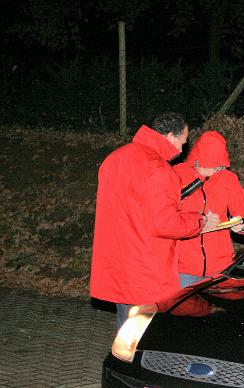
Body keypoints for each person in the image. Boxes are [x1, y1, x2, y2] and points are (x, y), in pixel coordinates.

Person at [90, 112, 220, 330]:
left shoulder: (115, 158)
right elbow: (165, 223)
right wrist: (199, 222)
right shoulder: (158, 168)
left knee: (126, 332)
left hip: (118, 263)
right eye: (182, 141)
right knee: (146, 337)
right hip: (145, 268)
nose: (182, 149)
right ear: (170, 135)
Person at [174, 130, 244, 288]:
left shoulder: (228, 179)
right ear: (196, 160)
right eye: (208, 166)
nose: (213, 172)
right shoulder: (177, 175)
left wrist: (242, 225)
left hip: (221, 268)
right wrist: (199, 221)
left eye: (218, 167)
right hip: (183, 268)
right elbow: (165, 217)